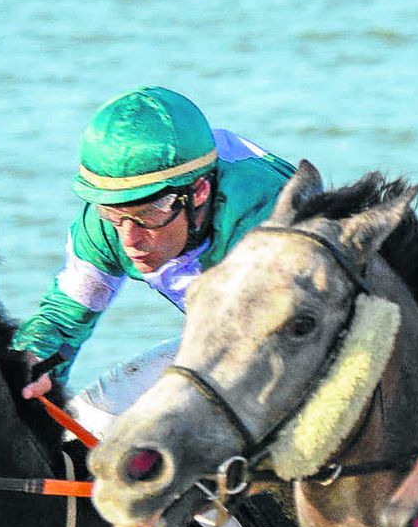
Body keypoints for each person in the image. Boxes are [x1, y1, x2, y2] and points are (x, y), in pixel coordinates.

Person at [14, 85, 292, 427]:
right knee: (85, 426)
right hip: (226, 333)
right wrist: (32, 363)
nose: (129, 240)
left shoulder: (260, 223)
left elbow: (278, 350)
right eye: (113, 214)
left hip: (297, 333)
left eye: (147, 215)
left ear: (199, 192)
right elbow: (62, 320)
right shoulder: (106, 223)